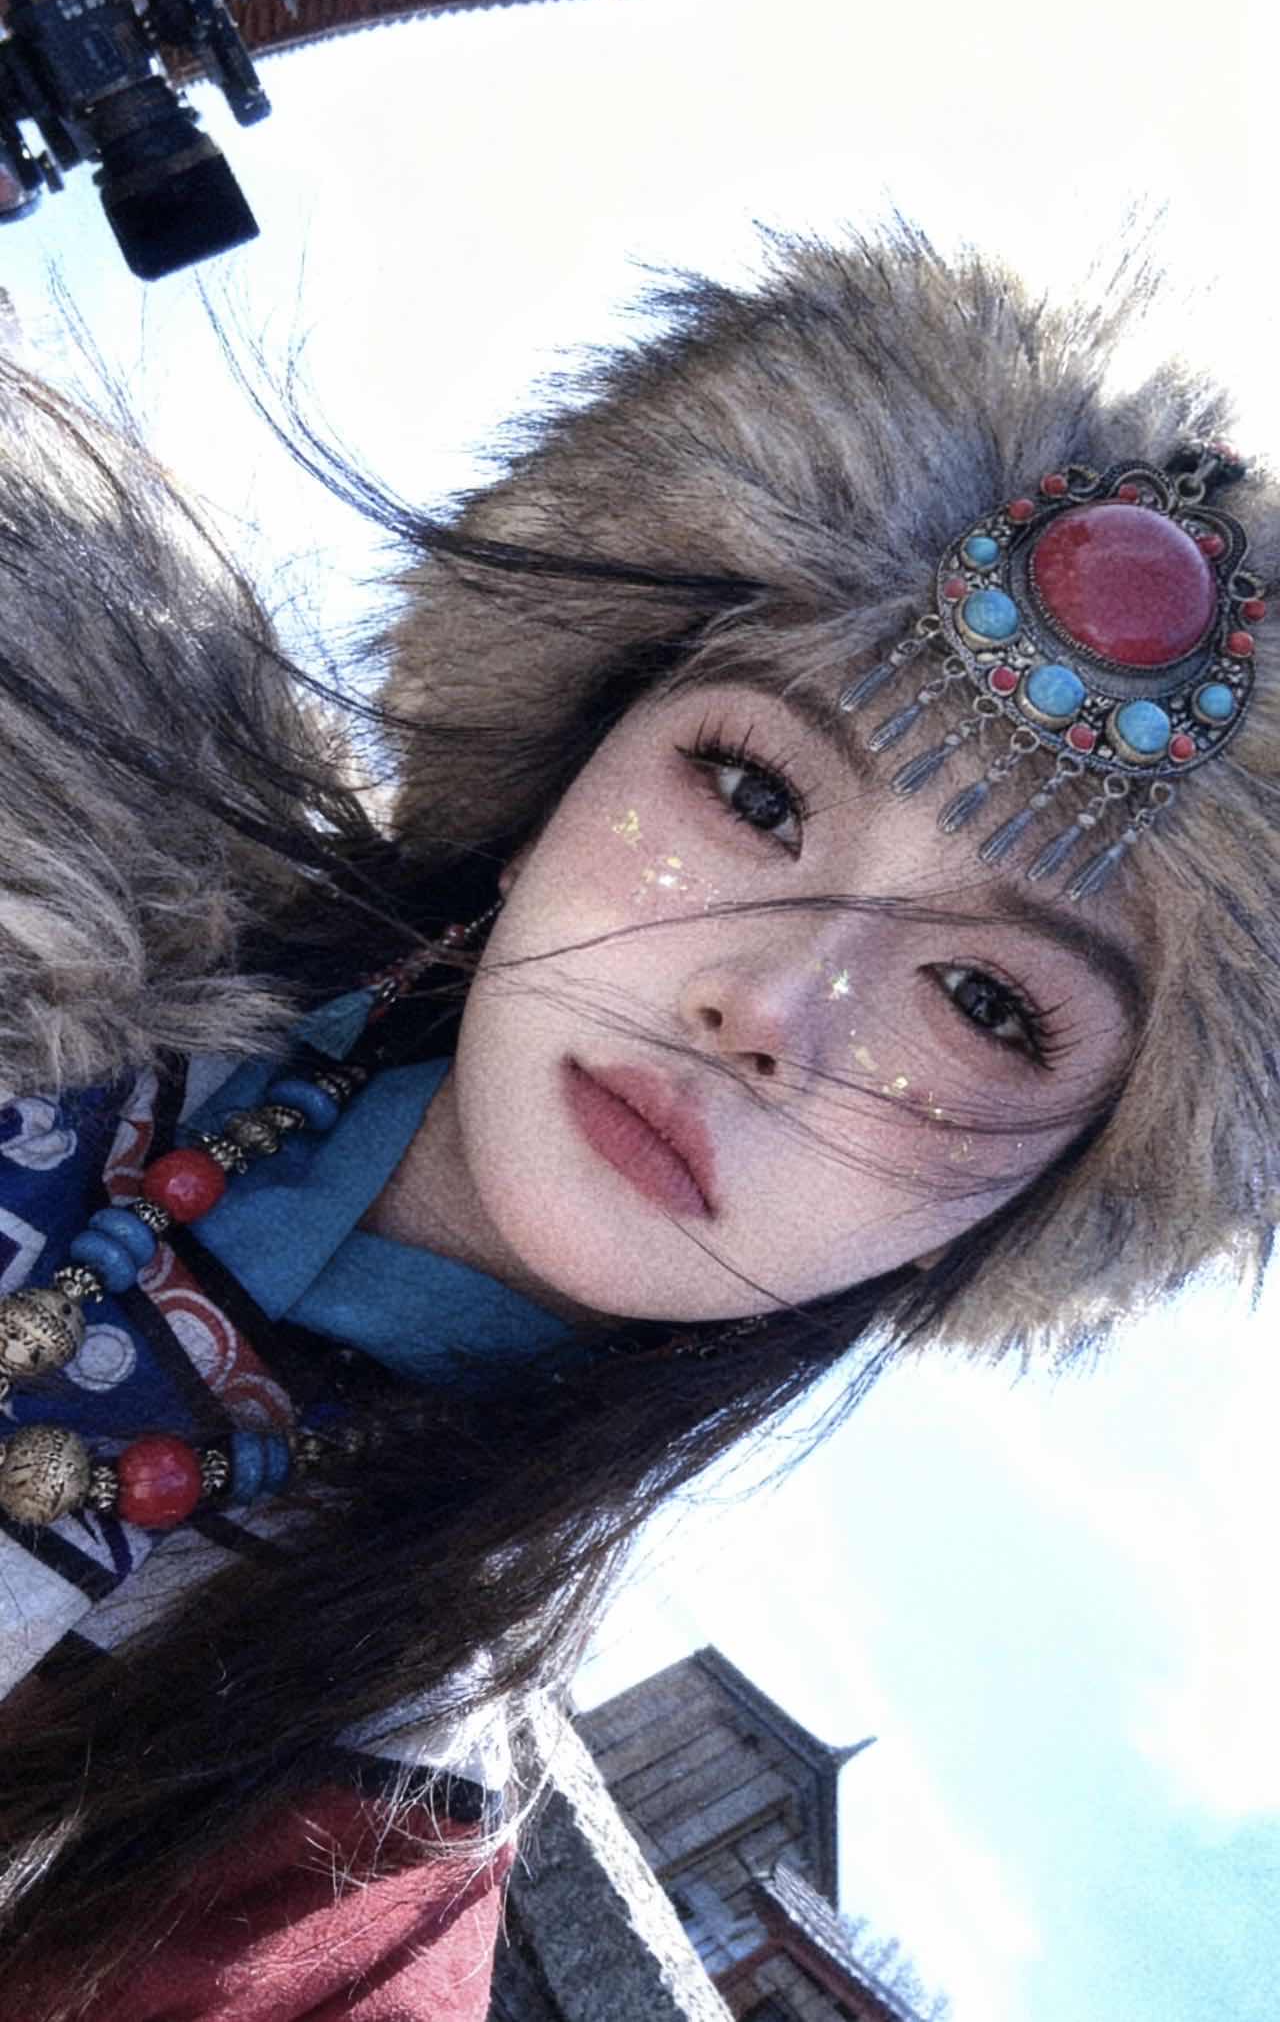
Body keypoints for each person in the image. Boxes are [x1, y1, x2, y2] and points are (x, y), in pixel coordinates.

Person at [0, 224, 1274, 2018]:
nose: (769, 1006)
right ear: (561, 768)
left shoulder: (334, 1882)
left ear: (1035, 1203)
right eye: (753, 789)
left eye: (986, 1001)